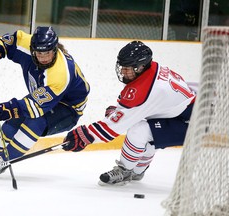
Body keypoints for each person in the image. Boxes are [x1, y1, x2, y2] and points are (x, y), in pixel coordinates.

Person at [62, 41, 196, 185]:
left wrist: (85, 135)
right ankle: (137, 172)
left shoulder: (146, 89)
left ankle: (124, 171)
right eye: (122, 67)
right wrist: (120, 110)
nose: (123, 72)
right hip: (186, 113)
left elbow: (114, 127)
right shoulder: (153, 69)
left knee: (139, 131)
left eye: (128, 68)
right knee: (148, 135)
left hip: (192, 122)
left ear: (141, 66)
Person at [0, 26, 90, 176]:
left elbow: (36, 106)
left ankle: (5, 160)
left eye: (47, 53)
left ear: (55, 49)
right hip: (47, 98)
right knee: (15, 119)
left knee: (34, 122)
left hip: (69, 108)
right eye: (39, 53)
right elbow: (9, 42)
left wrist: (12, 108)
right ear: (32, 49)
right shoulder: (27, 43)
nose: (43, 57)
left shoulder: (60, 74)